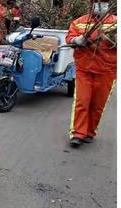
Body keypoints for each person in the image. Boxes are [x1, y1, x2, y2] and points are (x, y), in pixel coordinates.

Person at [66, 0, 116, 147]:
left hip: (107, 70)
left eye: (103, 2)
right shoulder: (80, 22)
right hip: (84, 68)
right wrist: (77, 39)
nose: (100, 5)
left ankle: (89, 132)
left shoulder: (115, 23)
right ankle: (78, 133)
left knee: (98, 104)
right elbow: (69, 38)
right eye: (97, 2)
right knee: (82, 101)